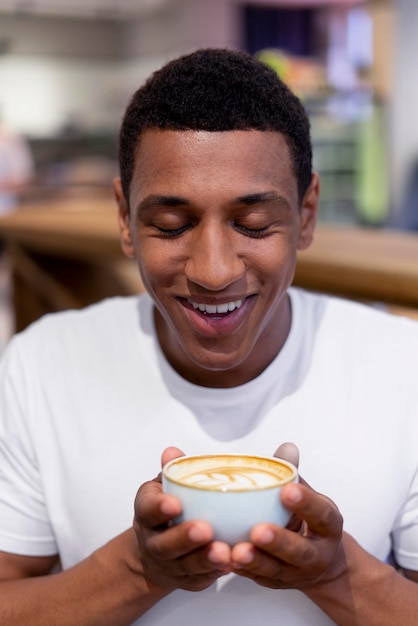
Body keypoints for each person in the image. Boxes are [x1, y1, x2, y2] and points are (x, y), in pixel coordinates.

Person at [0, 48, 417, 626]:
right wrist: (135, 569)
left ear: (307, 214)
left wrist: (335, 574)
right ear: (124, 219)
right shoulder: (41, 366)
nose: (214, 270)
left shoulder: (403, 368)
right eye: (171, 225)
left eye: (253, 224)